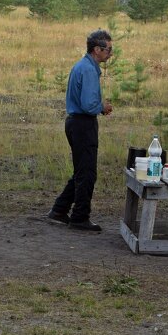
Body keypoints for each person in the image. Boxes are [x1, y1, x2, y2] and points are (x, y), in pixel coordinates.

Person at [47, 29, 114, 232]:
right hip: (83, 124)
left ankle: (59, 210)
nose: (111, 53)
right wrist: (102, 107)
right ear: (97, 50)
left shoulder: (85, 66)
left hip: (77, 123)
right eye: (108, 49)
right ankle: (79, 217)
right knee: (87, 173)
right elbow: (88, 104)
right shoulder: (87, 69)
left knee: (81, 171)